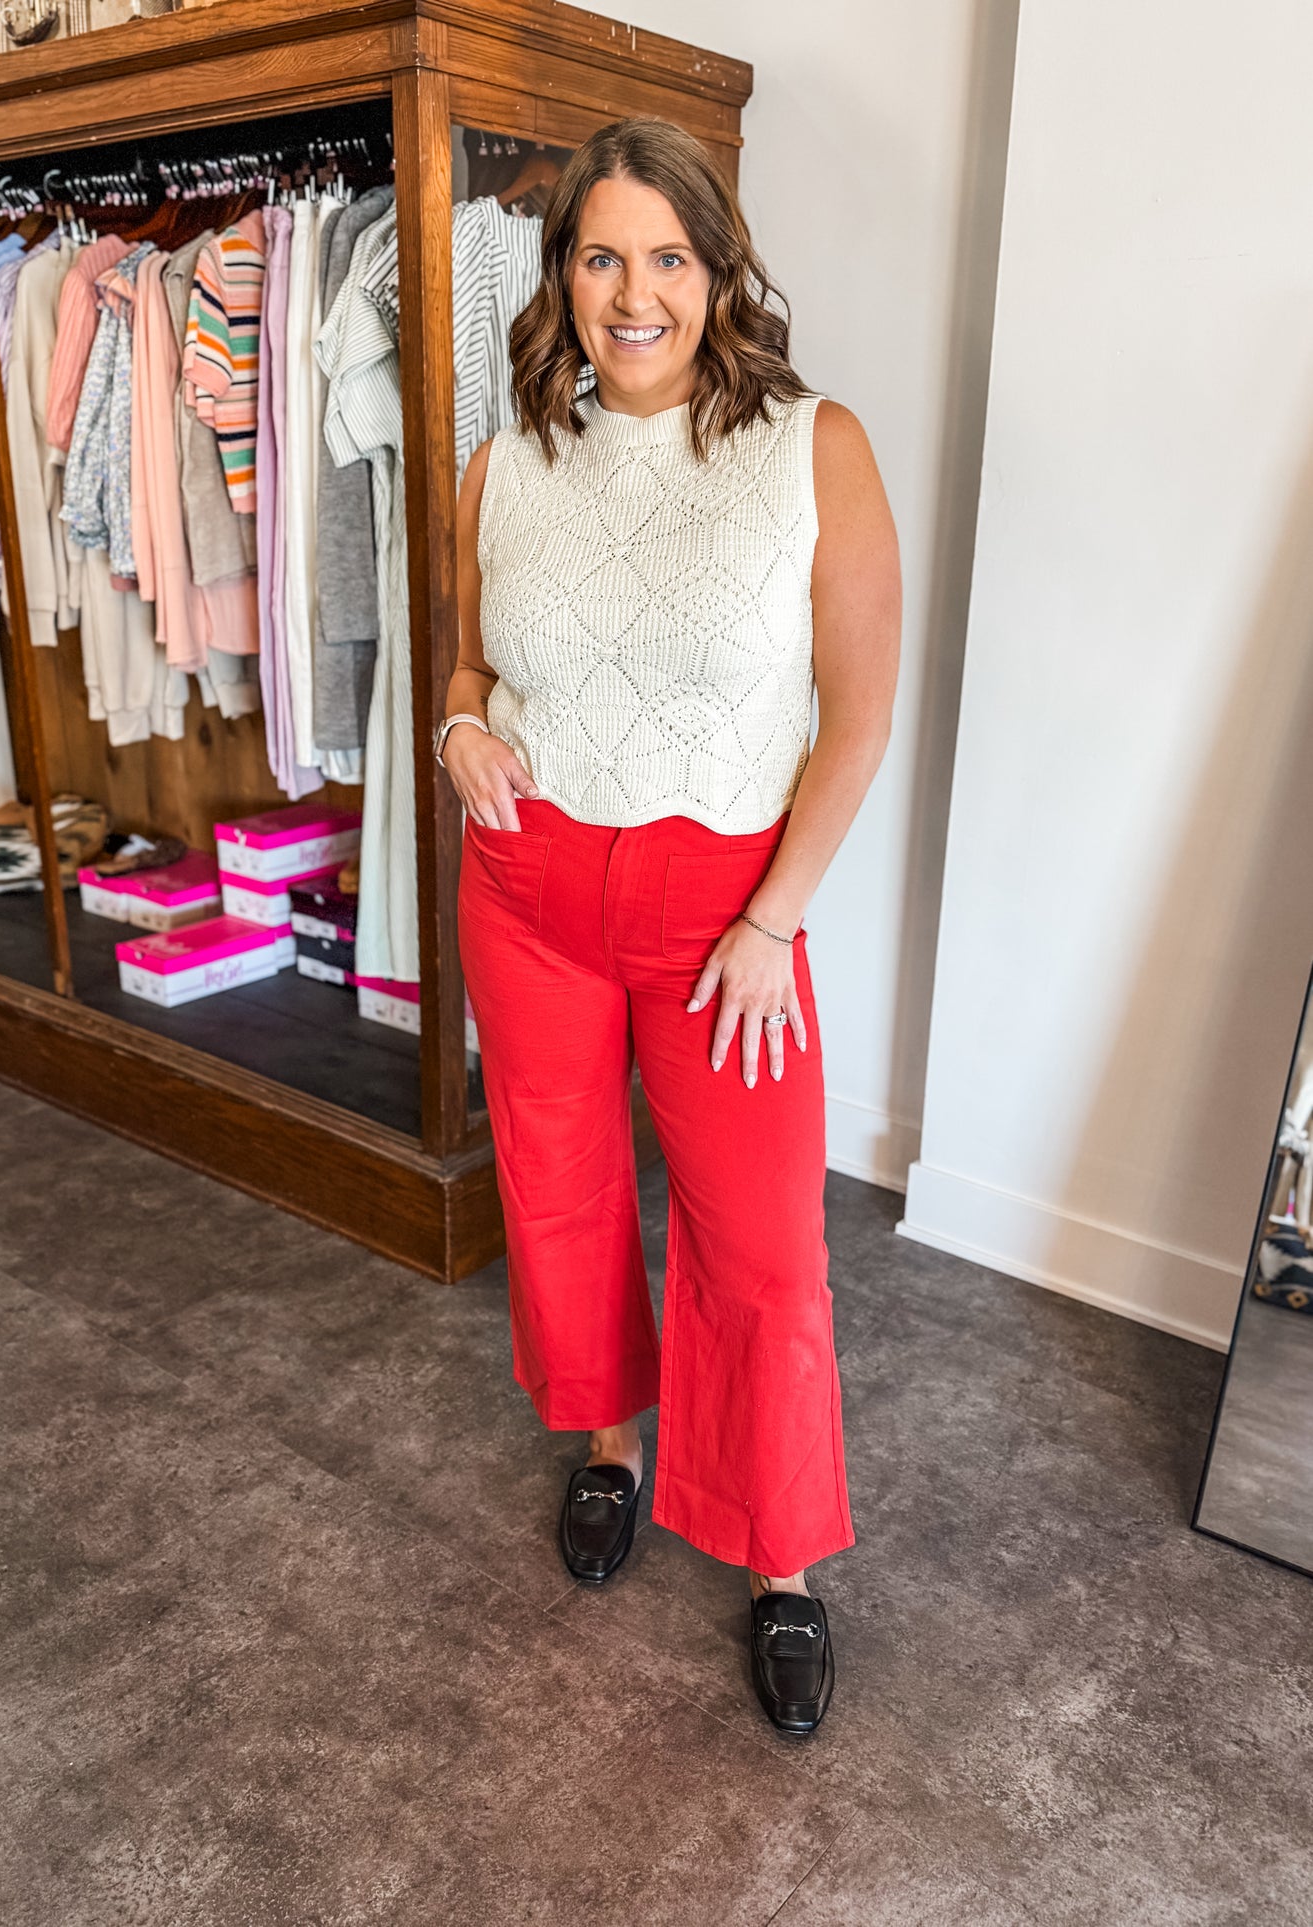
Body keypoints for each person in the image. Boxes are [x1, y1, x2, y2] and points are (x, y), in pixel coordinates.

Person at [438, 117, 901, 1736]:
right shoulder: (504, 465)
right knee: (558, 1197)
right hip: (531, 895)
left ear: (718, 270)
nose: (631, 292)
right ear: (559, 273)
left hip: (727, 923)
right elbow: (472, 670)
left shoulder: (809, 444)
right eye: (597, 255)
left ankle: (779, 1556)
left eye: (667, 258)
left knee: (761, 1250)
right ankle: (609, 1448)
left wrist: (775, 922)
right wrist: (455, 729)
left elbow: (856, 716)